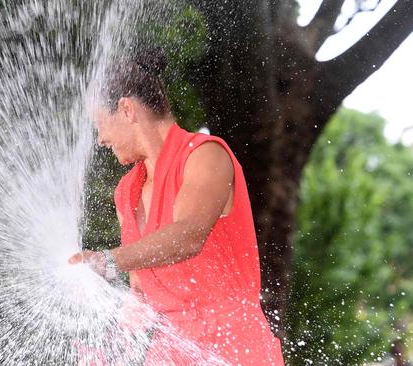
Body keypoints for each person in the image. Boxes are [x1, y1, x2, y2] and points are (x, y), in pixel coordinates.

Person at [68, 49, 285, 365]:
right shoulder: (126, 192)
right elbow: (141, 294)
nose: (100, 138)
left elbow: (187, 237)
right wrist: (110, 338)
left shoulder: (205, 157)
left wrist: (105, 260)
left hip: (235, 347)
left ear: (127, 109)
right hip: (171, 352)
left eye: (100, 124)